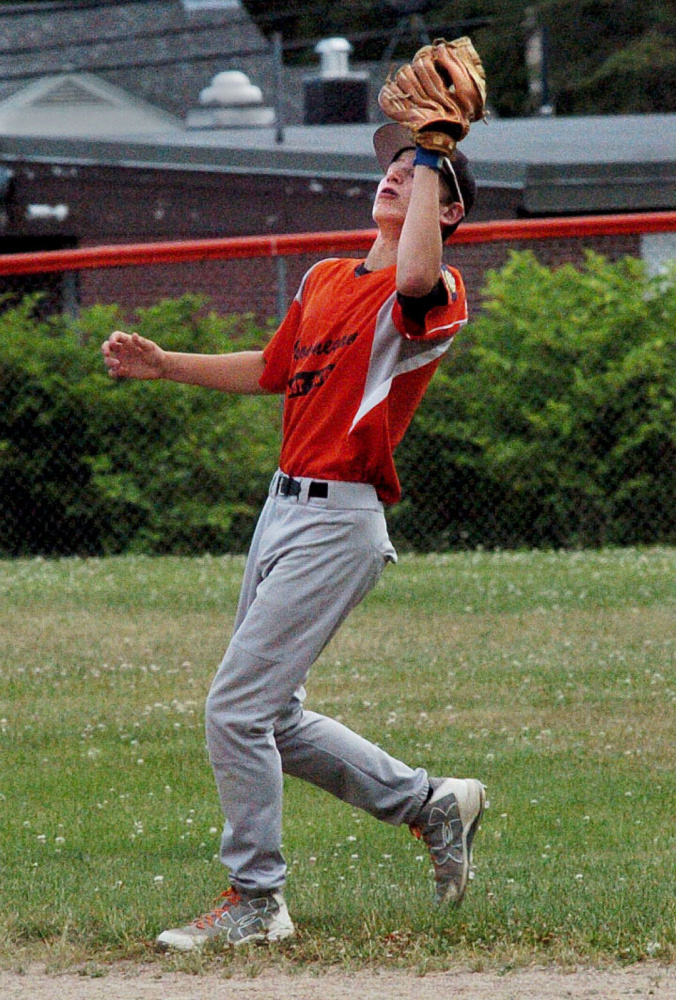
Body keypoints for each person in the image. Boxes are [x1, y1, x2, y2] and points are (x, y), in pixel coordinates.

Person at [102, 122, 487, 952]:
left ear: (447, 209)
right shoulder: (322, 277)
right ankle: (430, 804)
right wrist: (167, 363)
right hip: (283, 509)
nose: (396, 174)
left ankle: (257, 898)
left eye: (418, 173)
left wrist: (436, 149)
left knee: (234, 710)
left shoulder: (437, 290)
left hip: (340, 516)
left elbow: (414, 271)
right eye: (392, 163)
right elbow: (273, 370)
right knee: (268, 717)